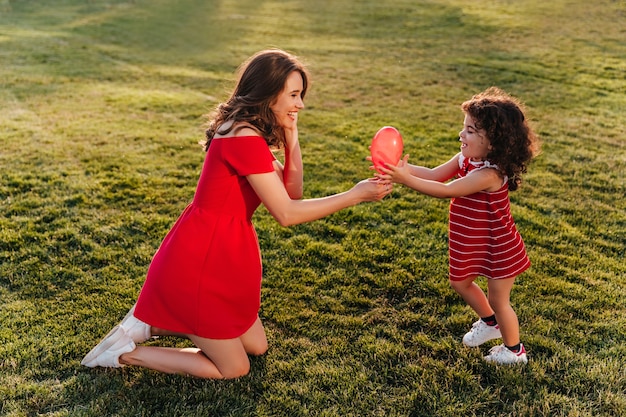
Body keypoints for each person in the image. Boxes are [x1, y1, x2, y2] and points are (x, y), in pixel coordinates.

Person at [81, 49, 392, 379]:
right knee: (235, 368)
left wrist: (291, 135)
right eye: (294, 95)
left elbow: (292, 190)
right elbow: (286, 212)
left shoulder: (248, 131)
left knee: (256, 345)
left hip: (222, 252)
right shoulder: (242, 136)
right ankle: (127, 354)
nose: (300, 104)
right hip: (202, 260)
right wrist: (356, 195)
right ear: (267, 92)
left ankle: (158, 322)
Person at [378, 87, 539, 364]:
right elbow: (434, 175)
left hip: (499, 247)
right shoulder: (466, 158)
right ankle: (490, 324)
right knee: (460, 281)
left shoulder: (489, 174)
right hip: (476, 240)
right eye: (464, 128)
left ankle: (515, 351)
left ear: (493, 143)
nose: (461, 135)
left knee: (500, 300)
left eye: (471, 131)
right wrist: (398, 167)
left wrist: (404, 179)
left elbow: (447, 190)